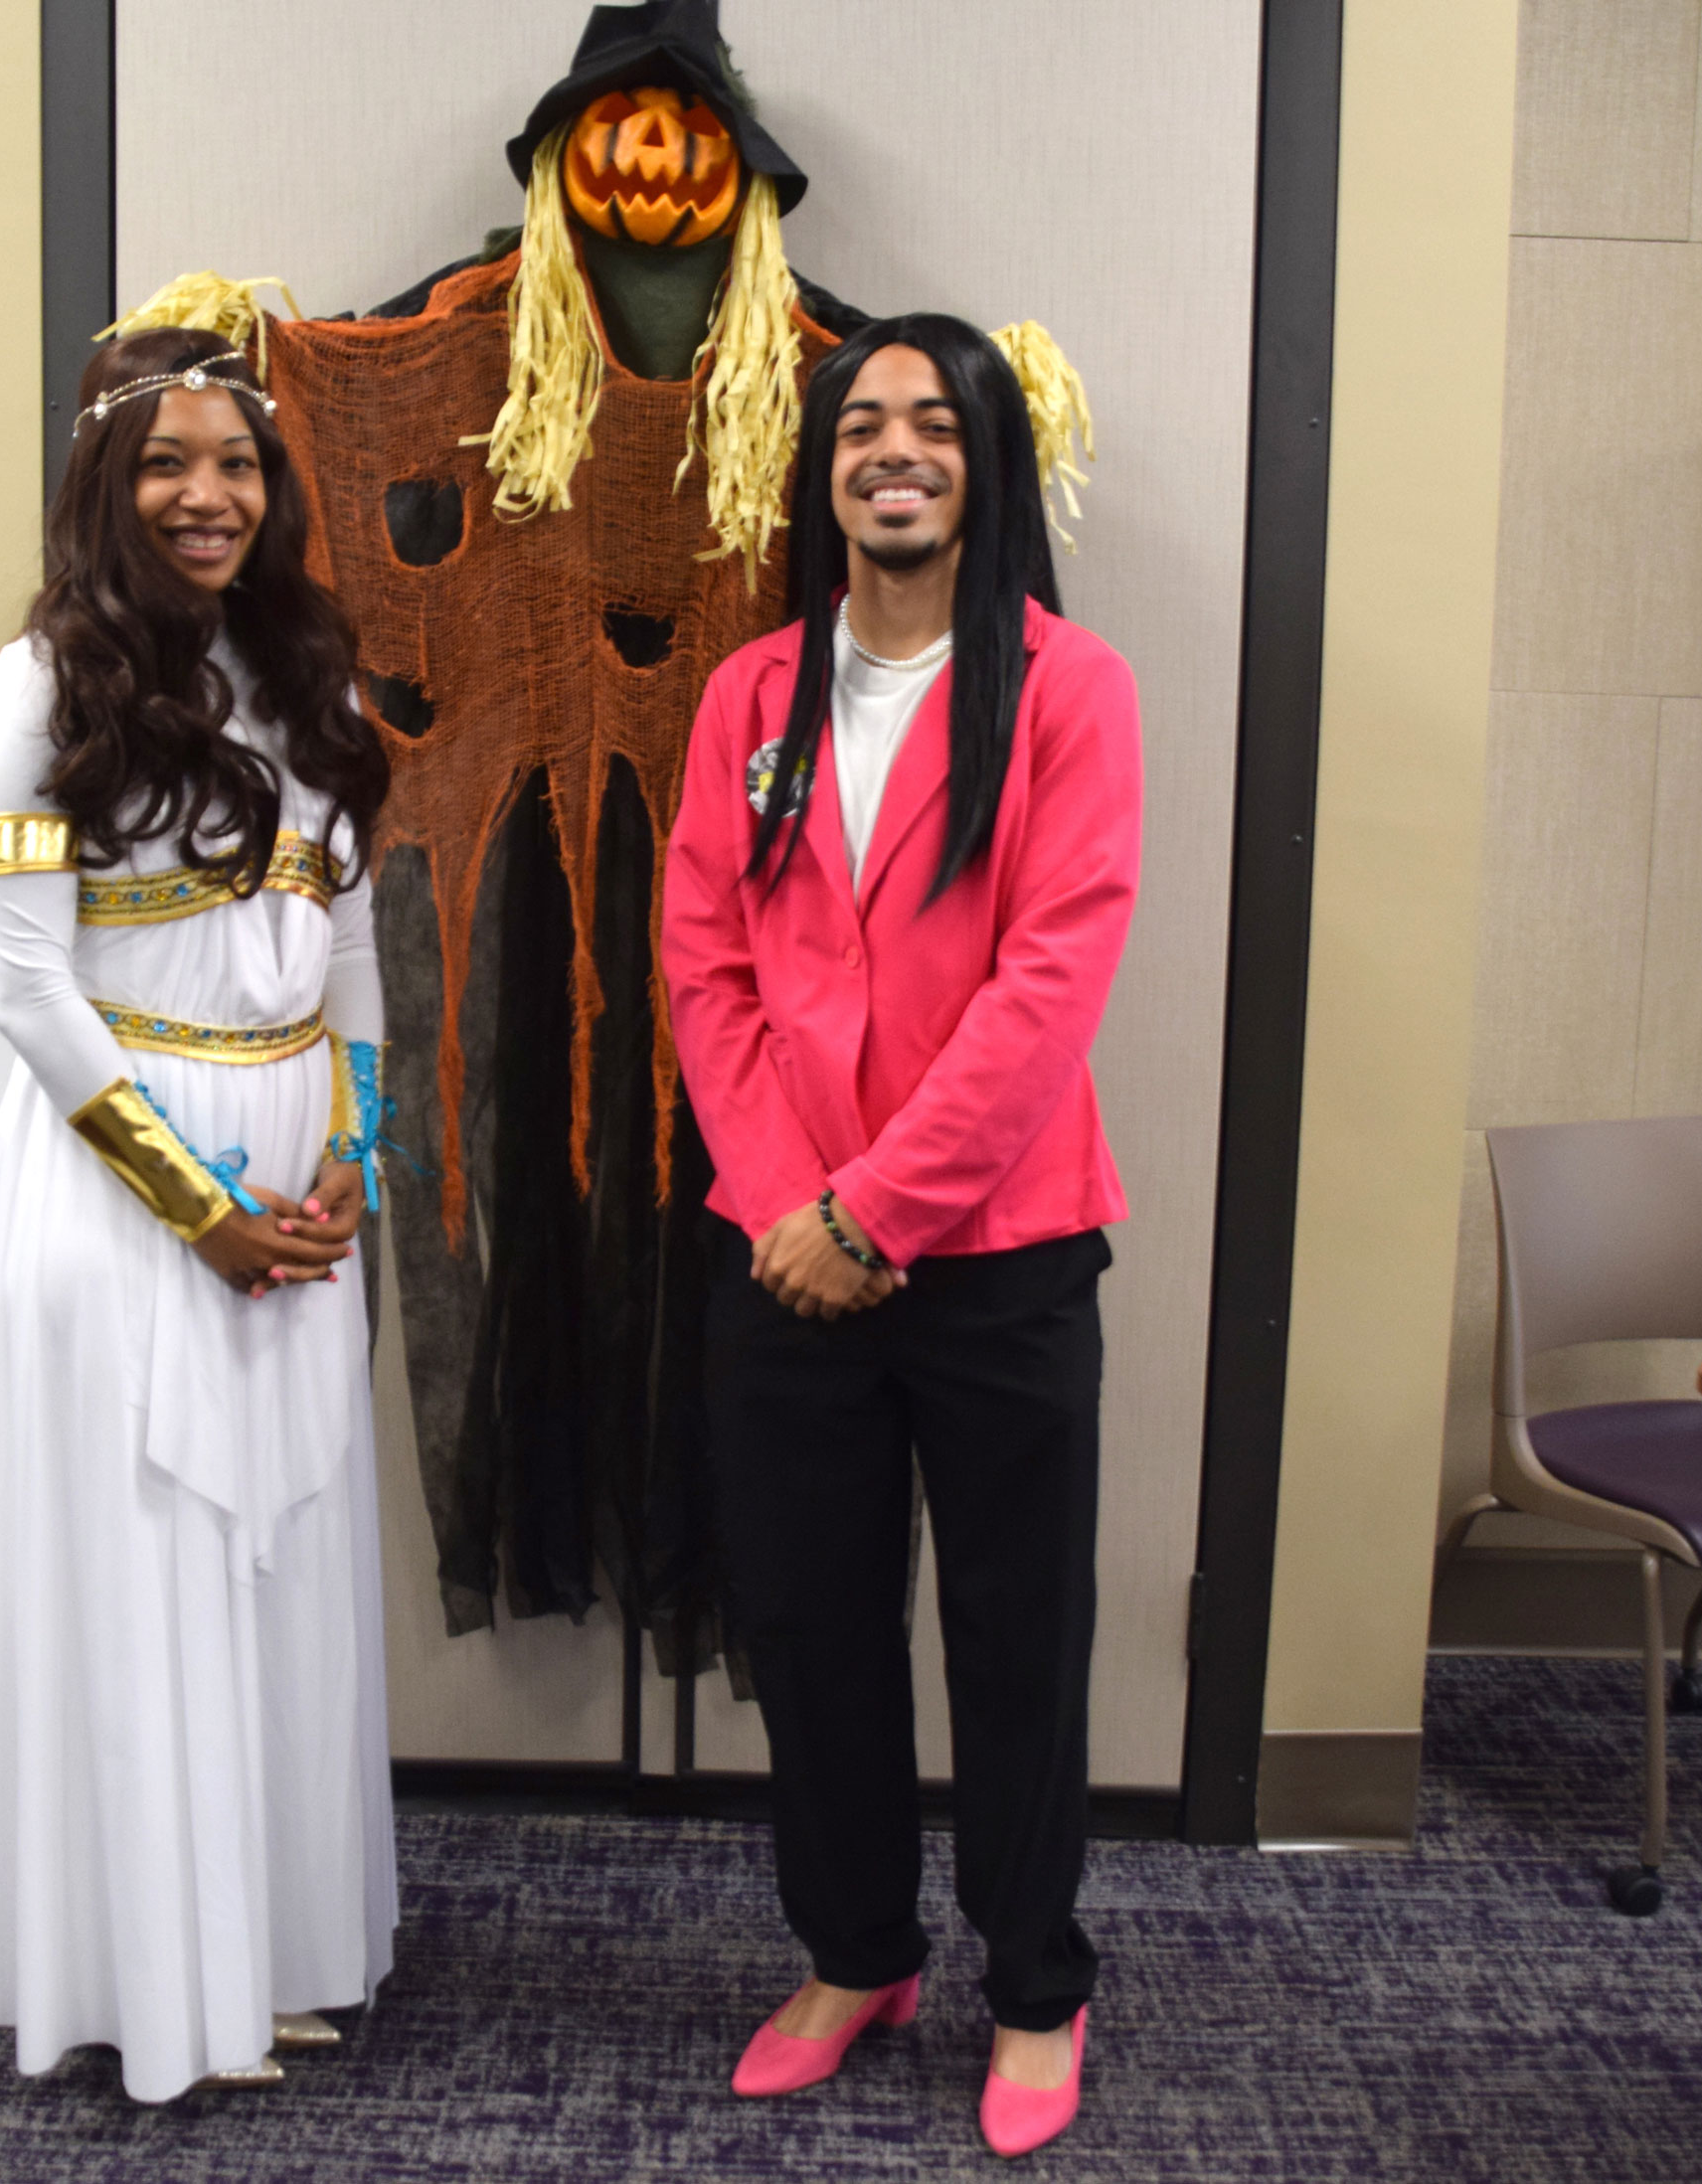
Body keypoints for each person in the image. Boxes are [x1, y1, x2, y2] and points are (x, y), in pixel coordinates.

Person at [659, 314, 1141, 2160]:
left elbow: (1050, 982)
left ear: (985, 461)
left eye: (935, 423)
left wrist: (876, 1208)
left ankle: (1035, 1983)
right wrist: (794, 1200)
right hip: (784, 1251)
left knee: (1018, 1635)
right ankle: (856, 1952)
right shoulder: (750, 696)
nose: (895, 450)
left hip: (1000, 1250)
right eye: (863, 422)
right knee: (814, 1629)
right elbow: (707, 965)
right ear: (825, 469)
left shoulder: (1071, 690)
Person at [0, 326, 399, 2101]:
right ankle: (150, 1984)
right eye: (166, 464)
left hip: (296, 1196)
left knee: (276, 1568)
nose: (208, 496)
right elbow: (27, 991)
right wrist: (202, 1212)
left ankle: (267, 1954)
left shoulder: (308, 674)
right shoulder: (41, 684)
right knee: (144, 1572)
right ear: (104, 488)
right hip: (123, 1194)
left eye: (239, 463)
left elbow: (352, 948)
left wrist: (359, 1146)